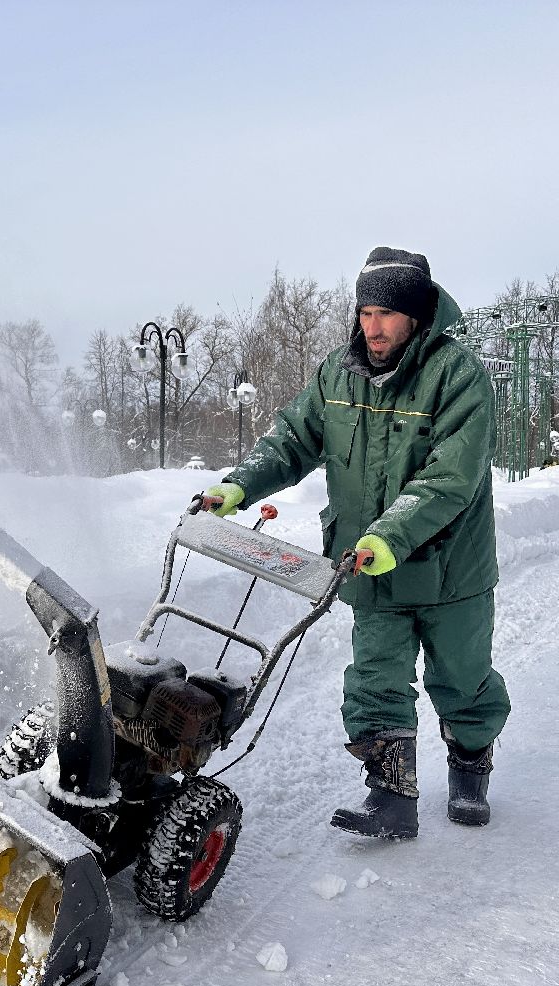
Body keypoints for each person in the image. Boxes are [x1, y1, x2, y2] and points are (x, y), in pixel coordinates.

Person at [202, 246, 508, 840]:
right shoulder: (336, 373)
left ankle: (470, 763)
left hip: (451, 572)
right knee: (374, 682)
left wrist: (389, 534)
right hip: (370, 565)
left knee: (463, 681)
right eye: (365, 312)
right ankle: (392, 798)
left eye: (387, 314)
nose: (373, 327)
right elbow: (292, 440)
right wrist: (238, 485)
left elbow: (450, 478)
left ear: (416, 316)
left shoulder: (459, 376)